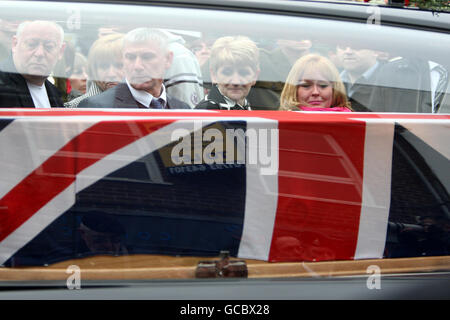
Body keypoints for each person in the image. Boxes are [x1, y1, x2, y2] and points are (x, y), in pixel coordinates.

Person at [78, 28, 190, 109]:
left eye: (147, 57)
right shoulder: (96, 107)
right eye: (130, 57)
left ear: (167, 59)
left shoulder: (182, 108)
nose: (137, 66)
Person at [0, 20, 66, 108]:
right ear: (15, 44)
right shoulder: (3, 87)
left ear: (61, 51)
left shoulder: (54, 93)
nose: (39, 53)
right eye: (31, 44)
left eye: (49, 46)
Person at [195, 36, 259, 110]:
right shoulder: (206, 111)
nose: (236, 81)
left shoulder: (249, 104)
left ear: (255, 76)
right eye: (227, 73)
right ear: (214, 75)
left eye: (244, 73)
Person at [65, 33, 125, 108]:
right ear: (94, 70)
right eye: (104, 67)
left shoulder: (141, 102)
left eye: (119, 66)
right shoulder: (75, 107)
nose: (111, 74)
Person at [279, 54, 352, 112]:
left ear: (335, 90)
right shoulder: (277, 124)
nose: (315, 92)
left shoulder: (355, 124)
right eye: (306, 85)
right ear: (293, 90)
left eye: (323, 85)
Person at [335, 44, 384, 111]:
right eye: (342, 47)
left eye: (356, 47)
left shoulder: (391, 80)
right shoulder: (329, 79)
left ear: (375, 52)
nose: (348, 51)